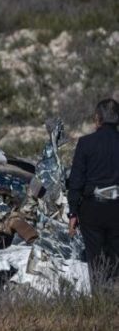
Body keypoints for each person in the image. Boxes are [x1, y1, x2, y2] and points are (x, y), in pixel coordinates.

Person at [67, 98, 119, 282]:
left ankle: (99, 304)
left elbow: (76, 181)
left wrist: (72, 212)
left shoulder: (86, 143)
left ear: (98, 119)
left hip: (92, 209)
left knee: (96, 262)